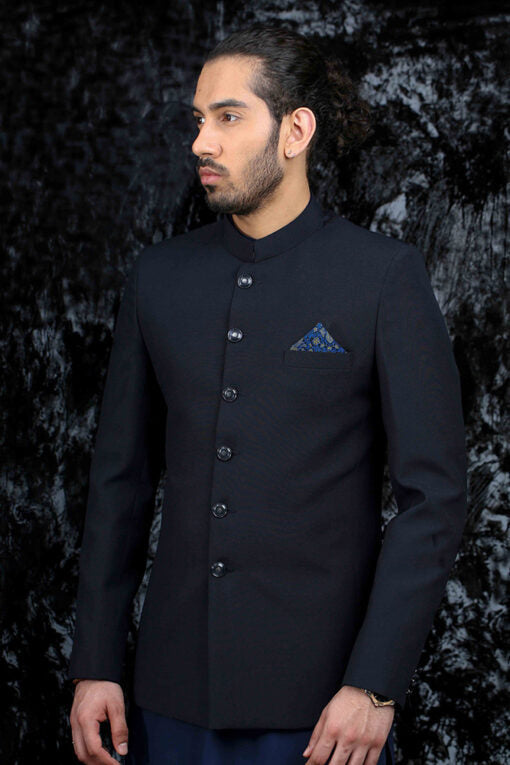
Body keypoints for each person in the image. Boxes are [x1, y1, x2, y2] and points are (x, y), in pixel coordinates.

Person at [67, 22, 468, 765]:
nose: (201, 142)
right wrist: (95, 662)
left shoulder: (382, 277)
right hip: (166, 698)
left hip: (325, 711)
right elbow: (120, 482)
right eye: (199, 119)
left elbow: (434, 499)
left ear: (296, 131)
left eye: (228, 117)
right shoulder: (158, 278)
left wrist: (375, 685)